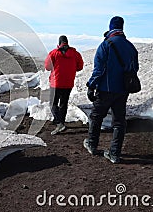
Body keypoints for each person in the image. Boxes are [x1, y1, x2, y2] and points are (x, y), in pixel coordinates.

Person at [84, 16, 139, 163]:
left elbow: (99, 70)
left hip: (105, 90)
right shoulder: (130, 47)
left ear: (110, 27)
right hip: (122, 91)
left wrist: (91, 86)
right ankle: (114, 154)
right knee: (119, 122)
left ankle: (92, 144)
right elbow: (135, 69)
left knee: (96, 116)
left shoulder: (105, 45)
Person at [45, 35, 84, 135]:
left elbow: (48, 67)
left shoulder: (54, 53)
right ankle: (60, 121)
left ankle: (59, 123)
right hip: (68, 83)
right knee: (63, 103)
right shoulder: (75, 54)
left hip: (56, 83)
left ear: (59, 43)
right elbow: (80, 67)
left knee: (53, 103)